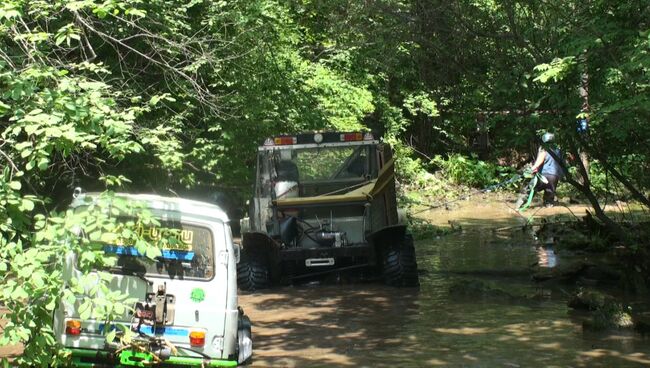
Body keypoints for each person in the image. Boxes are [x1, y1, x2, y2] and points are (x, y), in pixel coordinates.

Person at [530, 132, 564, 207]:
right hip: (554, 176)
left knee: (529, 190)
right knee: (549, 196)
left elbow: (540, 159)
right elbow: (562, 164)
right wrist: (561, 176)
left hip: (543, 175)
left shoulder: (543, 148)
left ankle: (520, 206)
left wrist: (533, 168)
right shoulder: (558, 150)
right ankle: (548, 207)